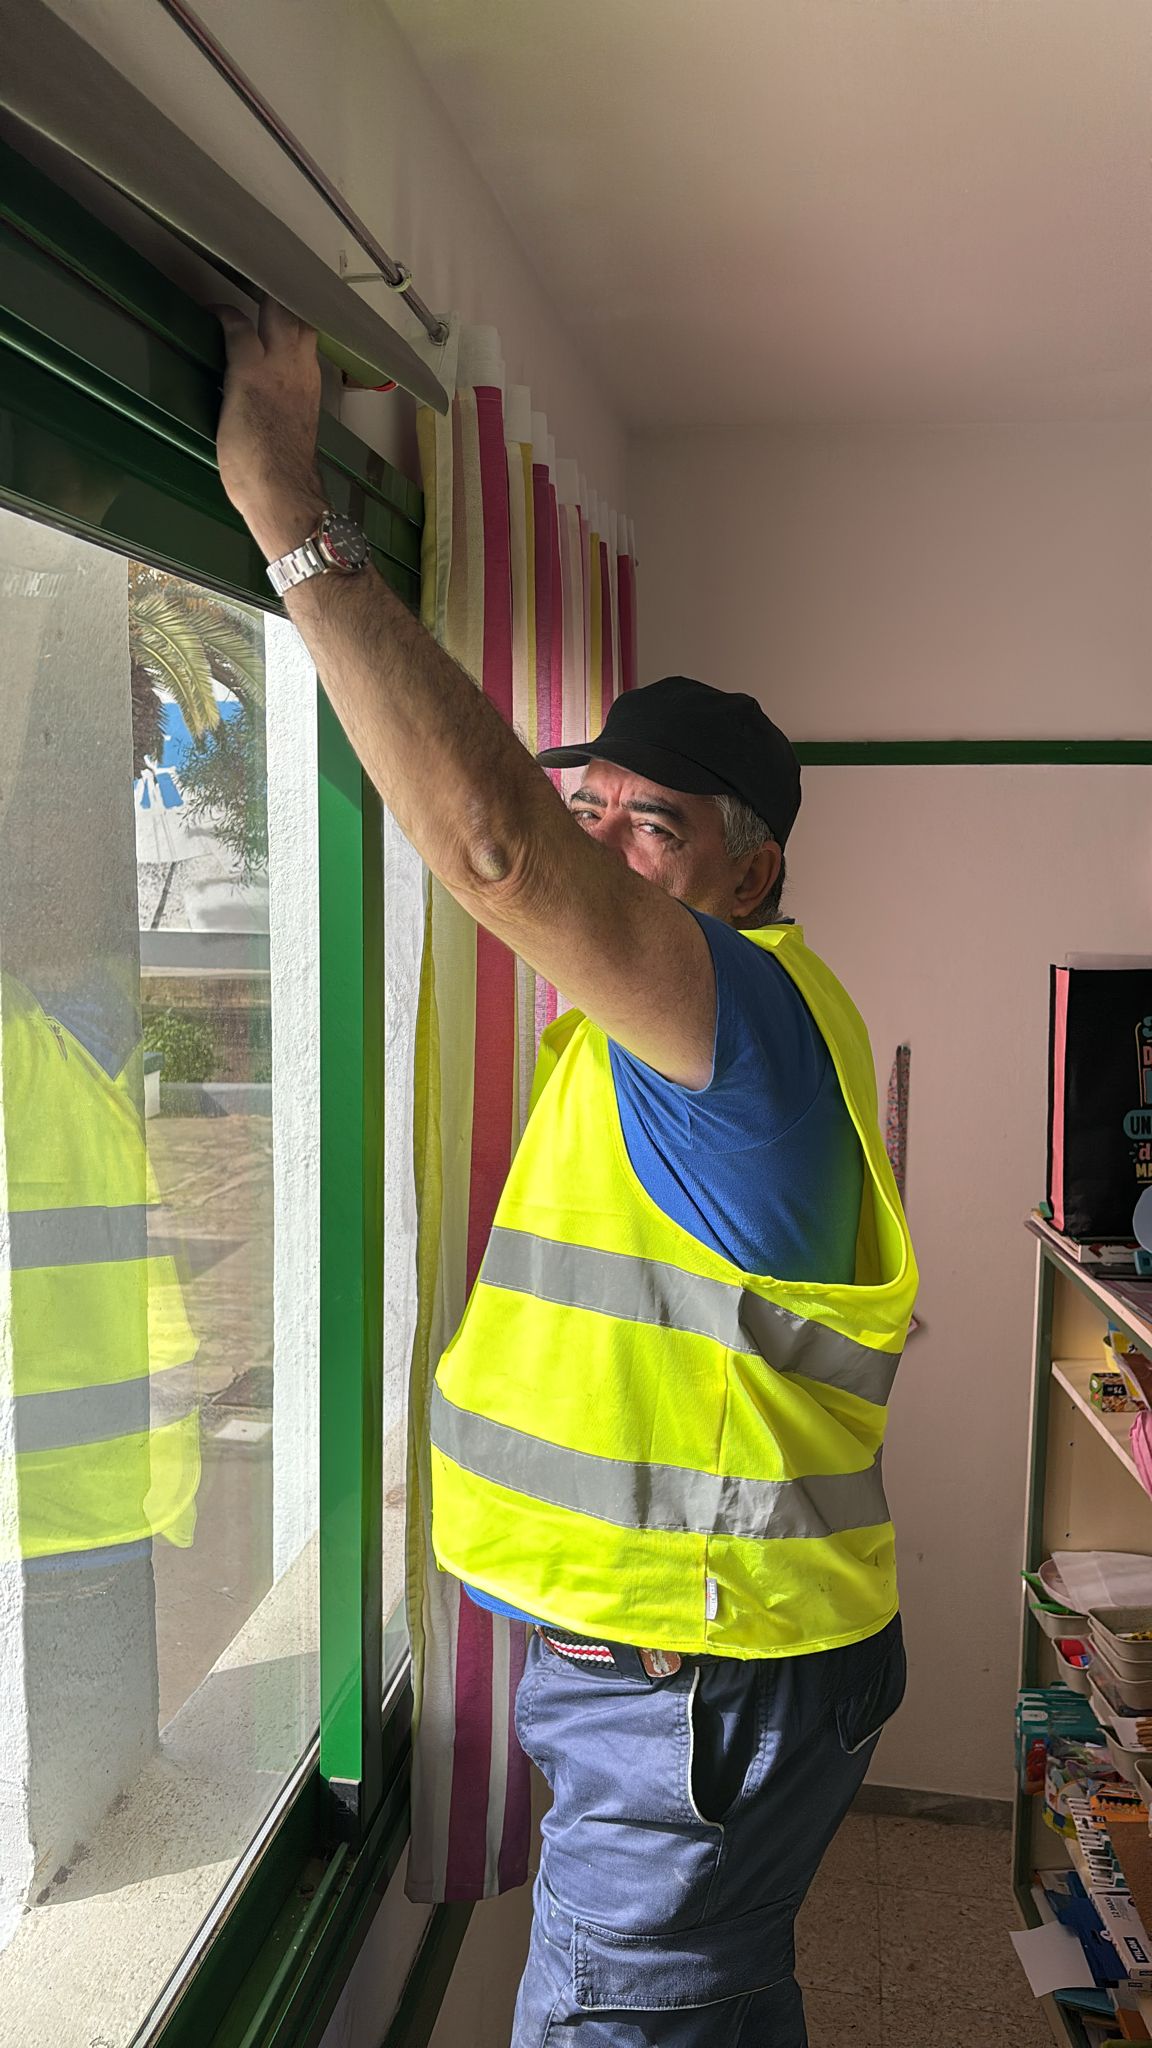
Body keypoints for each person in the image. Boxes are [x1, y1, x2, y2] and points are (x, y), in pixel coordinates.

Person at [214, 299, 918, 2048]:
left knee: (620, 2016)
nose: (604, 843)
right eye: (594, 798)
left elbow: (492, 844)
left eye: (653, 824)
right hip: (711, 1665)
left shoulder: (731, 1023)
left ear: (751, 874)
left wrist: (285, 508)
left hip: (698, 1682)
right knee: (697, 2002)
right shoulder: (647, 1040)